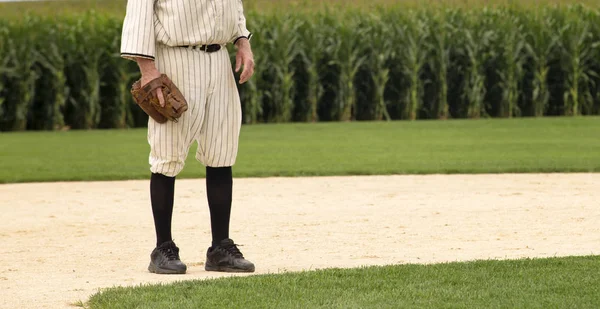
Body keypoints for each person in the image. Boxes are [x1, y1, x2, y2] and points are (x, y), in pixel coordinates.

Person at [119, 0, 255, 274]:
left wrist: (243, 41)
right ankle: (163, 248)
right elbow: (139, 13)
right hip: (175, 60)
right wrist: (148, 70)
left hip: (219, 61)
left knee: (222, 150)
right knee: (166, 155)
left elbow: (234, 6)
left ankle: (220, 247)